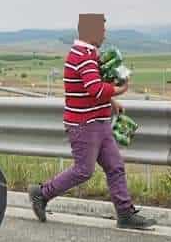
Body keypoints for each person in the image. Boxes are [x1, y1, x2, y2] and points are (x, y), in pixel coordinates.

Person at [28, 14, 156, 229]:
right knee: (83, 170)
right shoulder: (83, 56)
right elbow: (95, 89)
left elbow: (92, 85)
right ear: (91, 32)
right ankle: (41, 193)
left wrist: (112, 101)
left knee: (115, 166)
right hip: (84, 125)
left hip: (99, 122)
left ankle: (125, 214)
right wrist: (120, 90)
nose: (105, 34)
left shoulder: (88, 54)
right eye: (102, 30)